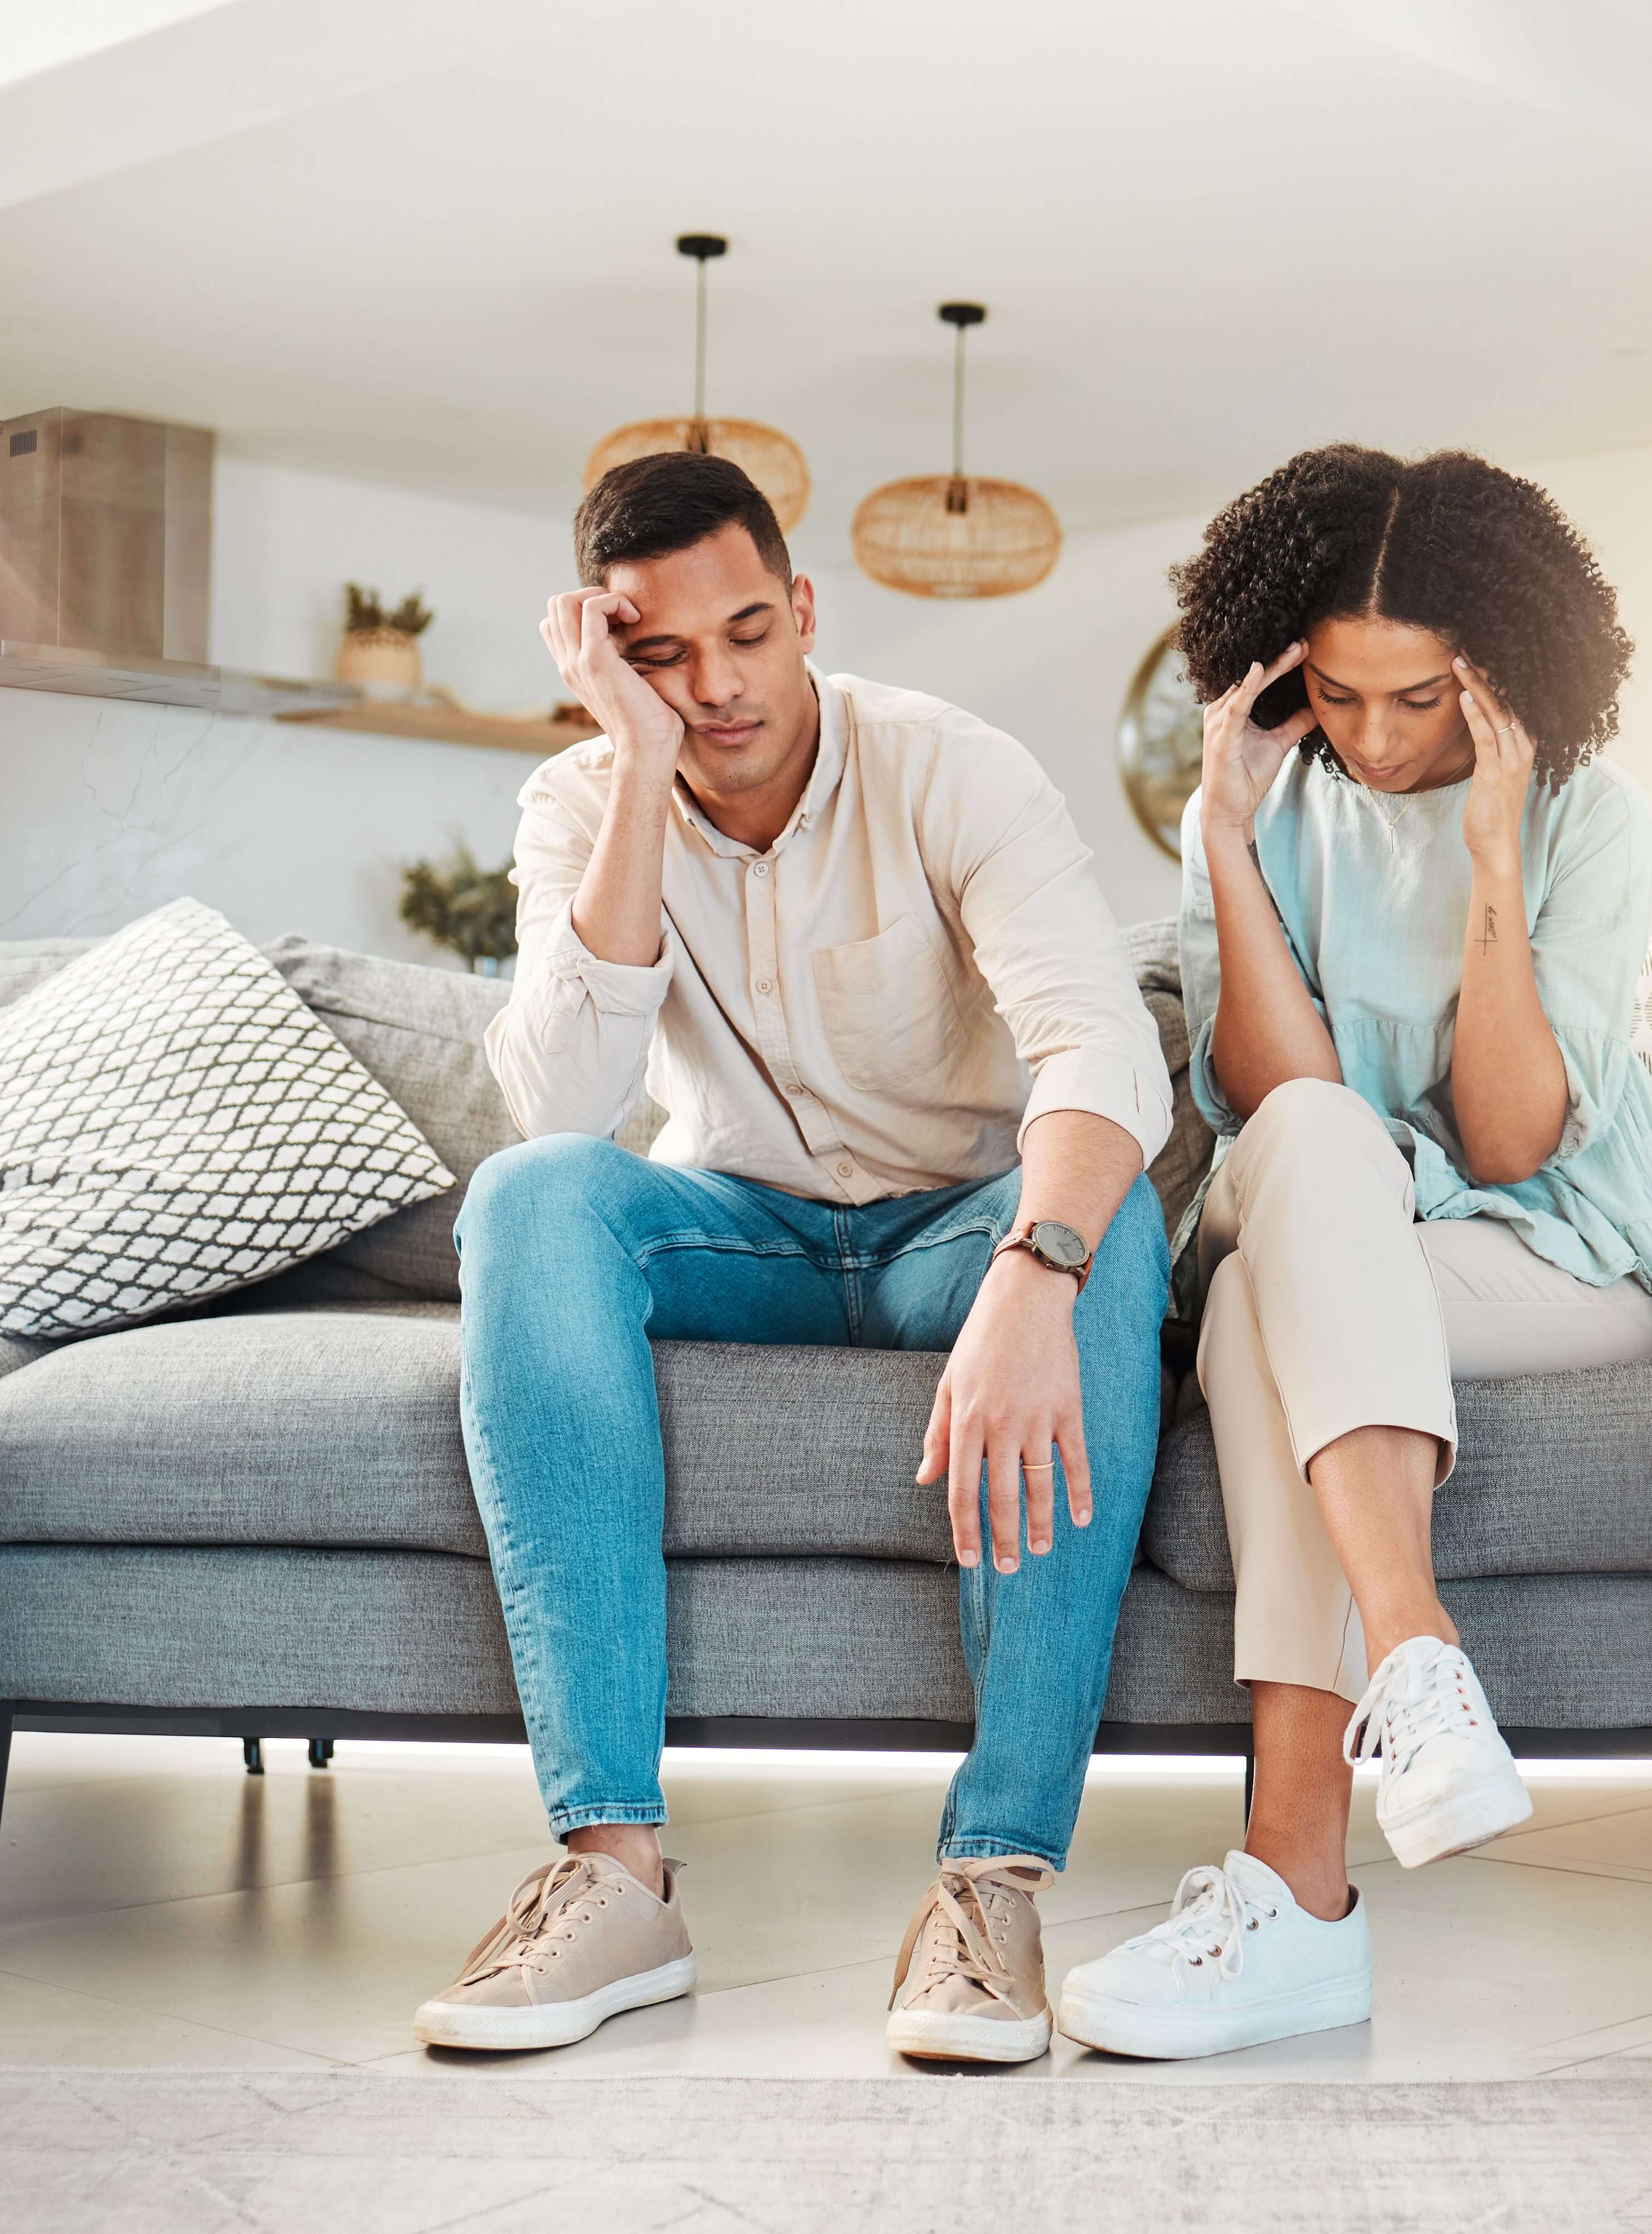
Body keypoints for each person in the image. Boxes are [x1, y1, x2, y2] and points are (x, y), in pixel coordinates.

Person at [423, 449, 1172, 2065]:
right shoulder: (576, 803)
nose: (715, 686)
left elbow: (1101, 1050)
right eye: (661, 654)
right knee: (528, 1198)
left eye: (748, 633)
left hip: (951, 1233)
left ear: (805, 609)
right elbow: (558, 1106)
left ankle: (991, 1882)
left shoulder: (950, 769)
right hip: (736, 1226)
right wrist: (629, 770)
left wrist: (1035, 1271)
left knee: (1112, 1227)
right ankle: (614, 1875)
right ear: (606, 655)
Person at [1057, 445, 1652, 2060]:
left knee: (1251, 1332)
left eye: (1417, 699)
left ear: (1497, 674)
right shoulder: (1268, 809)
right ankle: (1414, 1661)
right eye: (1337, 697)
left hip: (1549, 1254)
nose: (1372, 739)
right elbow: (1277, 1100)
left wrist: (1495, 852)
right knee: (1304, 1150)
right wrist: (1220, 844)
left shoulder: (1589, 815)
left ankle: (1297, 1898)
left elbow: (1508, 1143)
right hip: (1339, 1219)